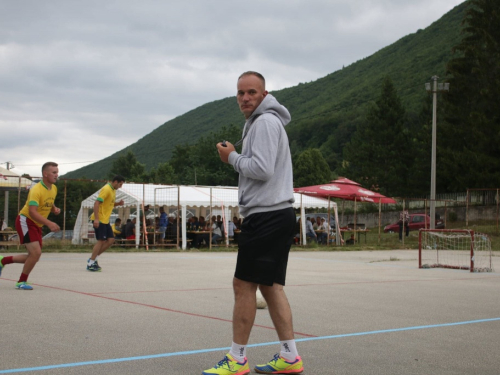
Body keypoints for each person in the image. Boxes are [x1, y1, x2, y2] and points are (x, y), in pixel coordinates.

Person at [205, 72, 303, 375]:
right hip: (276, 214)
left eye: (251, 92)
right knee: (270, 287)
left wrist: (231, 157)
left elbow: (260, 169)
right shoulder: (262, 123)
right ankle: (290, 356)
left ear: (264, 94)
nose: (245, 98)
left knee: (243, 285)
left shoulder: (264, 123)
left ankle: (237, 359)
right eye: (240, 93)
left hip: (267, 216)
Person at [0, 162, 61, 290]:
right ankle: (21, 281)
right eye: (54, 172)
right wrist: (49, 223)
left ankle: (3, 261)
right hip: (26, 220)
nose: (57, 175)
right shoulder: (36, 190)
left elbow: (47, 203)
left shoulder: (53, 188)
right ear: (45, 174)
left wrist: (54, 208)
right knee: (35, 253)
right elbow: (33, 212)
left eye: (57, 172)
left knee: (34, 256)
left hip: (36, 223)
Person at [87, 175, 125, 272]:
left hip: (105, 220)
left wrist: (118, 204)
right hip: (99, 219)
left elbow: (109, 203)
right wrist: (96, 219)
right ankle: (91, 262)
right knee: (101, 240)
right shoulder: (106, 189)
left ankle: (94, 258)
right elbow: (96, 203)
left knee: (111, 240)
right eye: (120, 184)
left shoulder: (113, 190)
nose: (120, 186)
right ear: (115, 182)